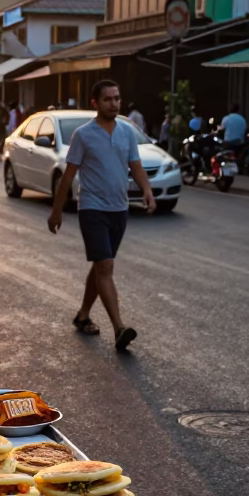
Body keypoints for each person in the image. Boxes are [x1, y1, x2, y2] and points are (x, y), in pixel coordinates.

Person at [48, 79, 155, 352]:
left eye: (117, 98)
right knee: (105, 265)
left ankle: (83, 316)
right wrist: (57, 211)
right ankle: (119, 329)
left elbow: (136, 166)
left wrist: (147, 190)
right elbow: (68, 175)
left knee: (100, 266)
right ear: (95, 102)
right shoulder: (83, 135)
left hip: (119, 209)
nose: (114, 104)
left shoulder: (127, 133)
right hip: (92, 208)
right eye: (108, 99)